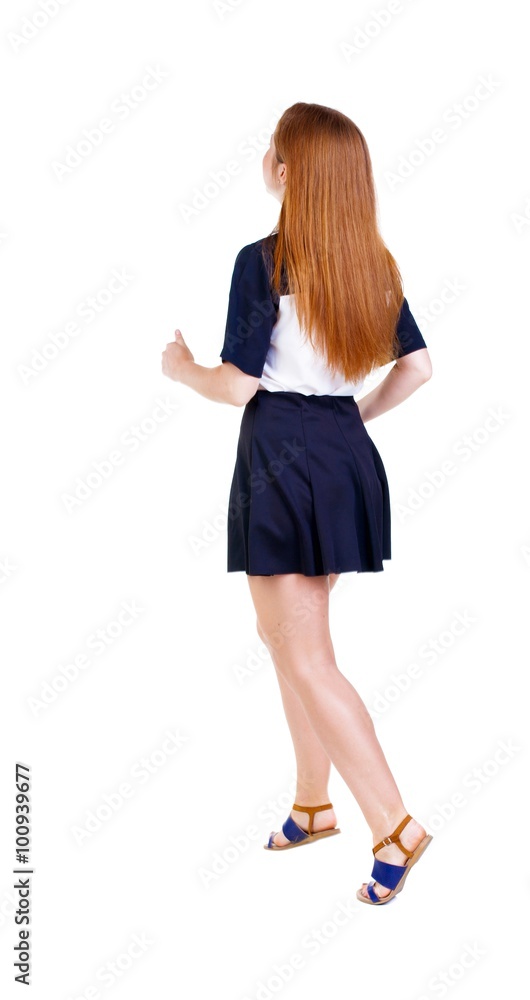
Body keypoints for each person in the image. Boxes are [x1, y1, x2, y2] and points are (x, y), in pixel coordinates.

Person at [162, 102, 434, 905]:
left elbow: (236, 385)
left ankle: (394, 825)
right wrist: (352, 420)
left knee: (304, 653)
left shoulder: (264, 261)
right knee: (289, 641)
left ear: (286, 171)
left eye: (270, 150)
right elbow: (418, 368)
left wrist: (180, 367)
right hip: (345, 456)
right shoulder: (373, 264)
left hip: (281, 454)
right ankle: (314, 804)